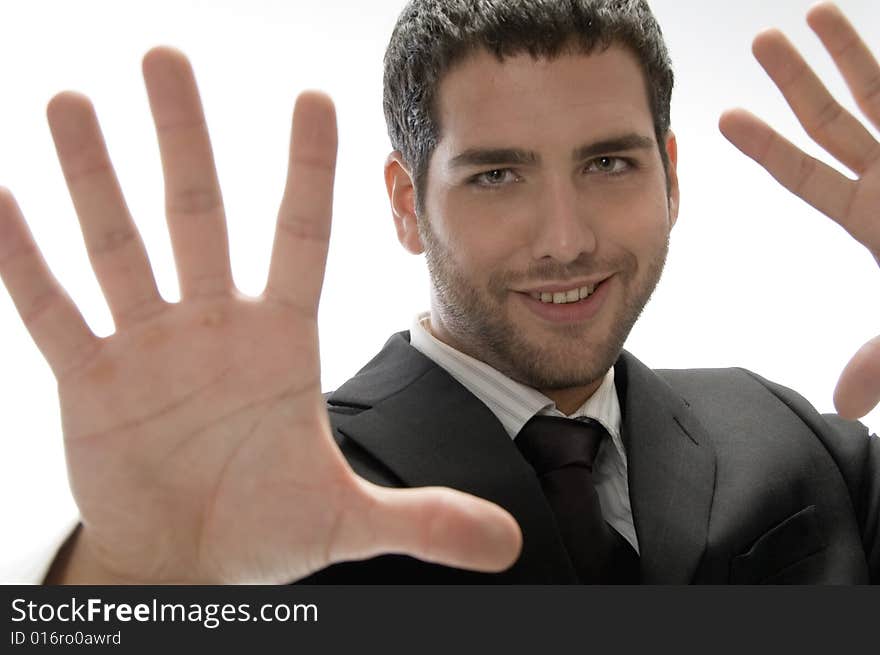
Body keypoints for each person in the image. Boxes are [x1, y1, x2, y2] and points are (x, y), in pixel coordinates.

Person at [1, 0, 877, 584]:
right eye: (497, 175)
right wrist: (121, 577)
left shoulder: (787, 433)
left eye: (609, 163)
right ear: (405, 204)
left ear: (670, 177)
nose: (566, 238)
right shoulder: (272, 487)